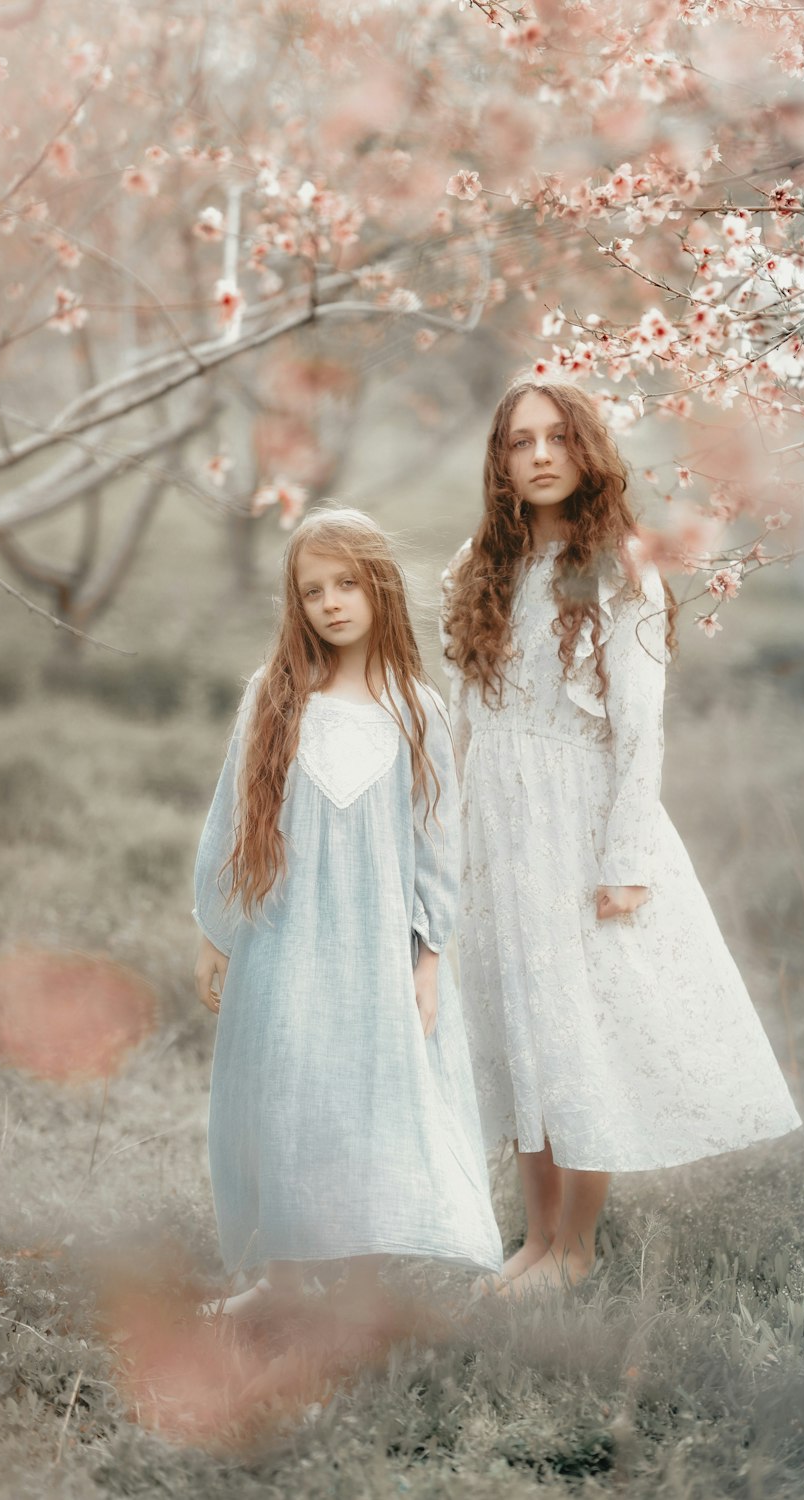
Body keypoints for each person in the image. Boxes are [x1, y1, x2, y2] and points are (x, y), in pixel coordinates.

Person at [441, 378, 801, 1297]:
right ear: (501, 462)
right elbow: (464, 721)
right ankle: (532, 1239)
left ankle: (574, 1250)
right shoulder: (479, 567)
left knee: (576, 1030)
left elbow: (641, 730)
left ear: (587, 450)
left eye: (559, 438)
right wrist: (445, 830)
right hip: (496, 822)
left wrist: (626, 860)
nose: (541, 456)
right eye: (520, 443)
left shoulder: (618, 568)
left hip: (576, 814)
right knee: (519, 1022)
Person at [194, 507, 502, 1316]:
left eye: (347, 583)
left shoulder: (415, 709)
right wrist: (215, 930)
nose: (331, 602)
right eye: (312, 590)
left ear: (380, 588)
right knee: (287, 1092)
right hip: (285, 936)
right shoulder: (274, 697)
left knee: (368, 1098)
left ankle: (364, 1283)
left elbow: (437, 840)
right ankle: (282, 1281)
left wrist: (430, 957)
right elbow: (233, 813)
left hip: (375, 948)